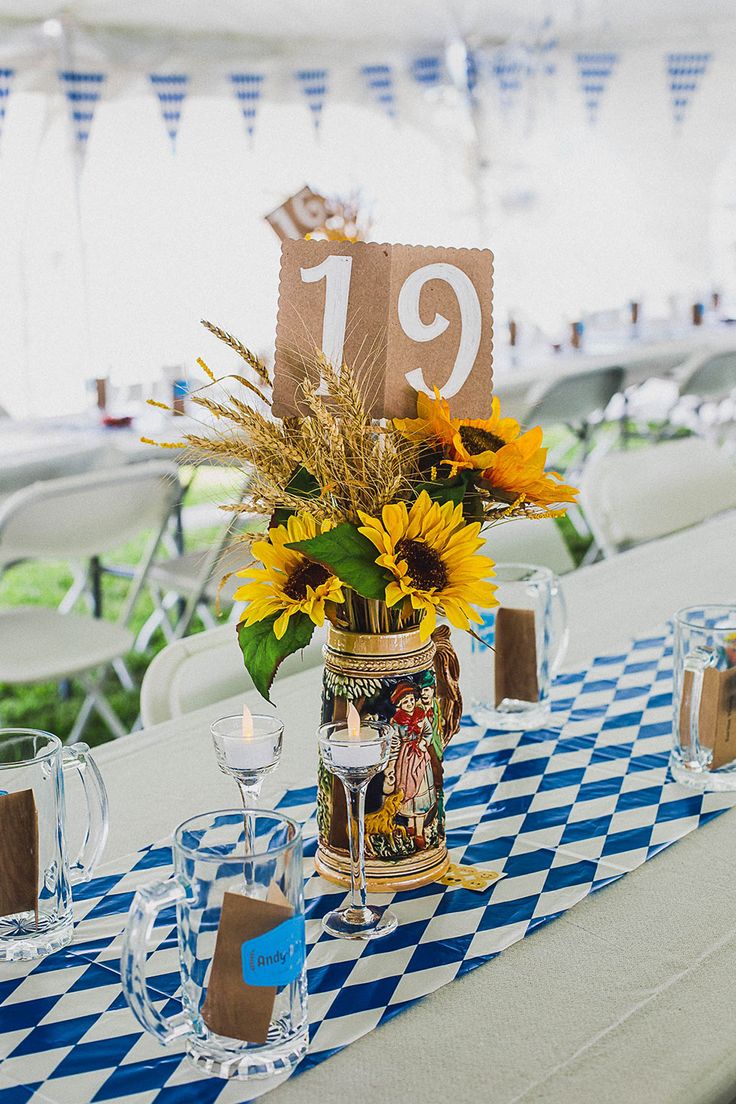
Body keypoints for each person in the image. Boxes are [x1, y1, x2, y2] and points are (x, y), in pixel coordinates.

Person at [390, 683, 436, 847]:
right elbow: (394, 742)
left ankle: (419, 833)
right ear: (399, 705)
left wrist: (424, 741)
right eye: (405, 702)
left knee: (420, 792)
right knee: (408, 791)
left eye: (410, 700)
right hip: (405, 760)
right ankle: (410, 827)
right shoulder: (396, 723)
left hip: (420, 758)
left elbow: (428, 732)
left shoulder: (421, 716)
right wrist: (392, 762)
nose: (409, 704)